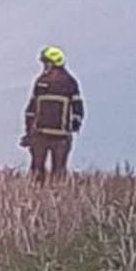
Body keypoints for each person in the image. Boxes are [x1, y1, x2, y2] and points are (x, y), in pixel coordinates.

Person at [21, 46, 84, 182]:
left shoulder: (44, 81)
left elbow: (31, 110)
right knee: (57, 171)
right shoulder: (69, 82)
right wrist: (75, 125)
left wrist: (28, 131)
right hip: (56, 134)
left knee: (38, 170)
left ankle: (39, 195)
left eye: (46, 63)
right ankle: (56, 195)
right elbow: (78, 109)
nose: (44, 66)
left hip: (45, 134)